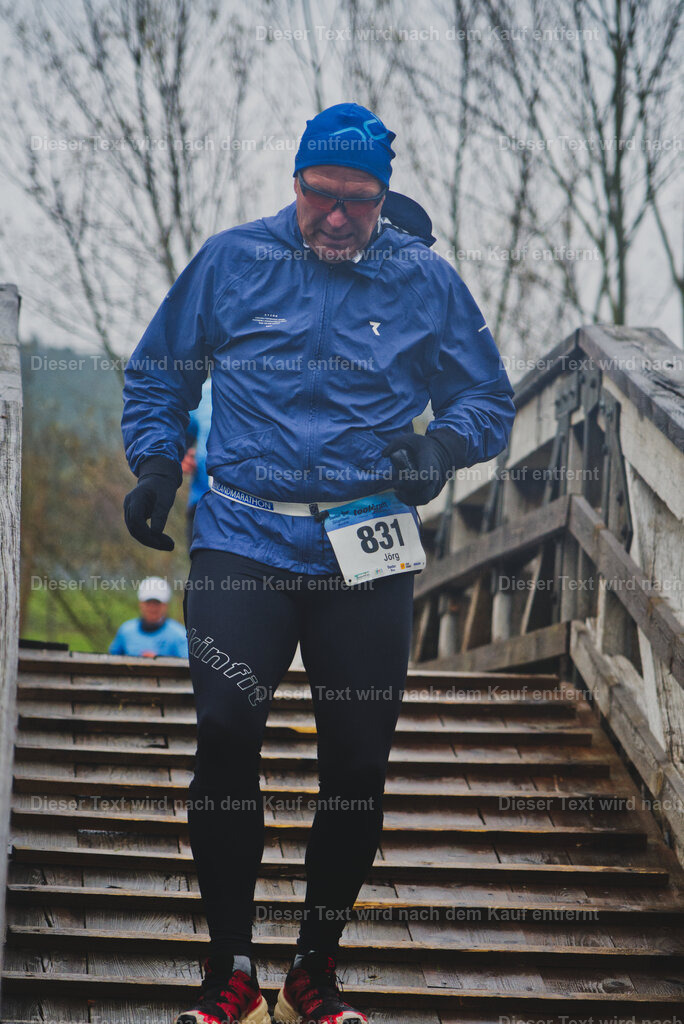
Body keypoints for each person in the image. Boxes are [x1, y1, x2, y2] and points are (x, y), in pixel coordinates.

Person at [120, 102, 516, 1024]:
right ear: (295, 181)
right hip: (244, 536)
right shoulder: (232, 261)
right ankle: (230, 970)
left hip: (365, 545)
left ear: (384, 197)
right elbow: (159, 373)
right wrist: (154, 462)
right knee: (224, 731)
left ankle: (314, 969)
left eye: (357, 200)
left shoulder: (425, 281)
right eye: (320, 194)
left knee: (358, 763)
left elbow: (487, 399)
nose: (336, 216)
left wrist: (441, 448)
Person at [108, 577, 188, 658]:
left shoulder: (179, 634)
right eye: (148, 603)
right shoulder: (126, 630)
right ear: (140, 604)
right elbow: (112, 658)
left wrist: (159, 660)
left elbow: (186, 663)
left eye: (157, 603)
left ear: (165, 605)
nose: (152, 608)